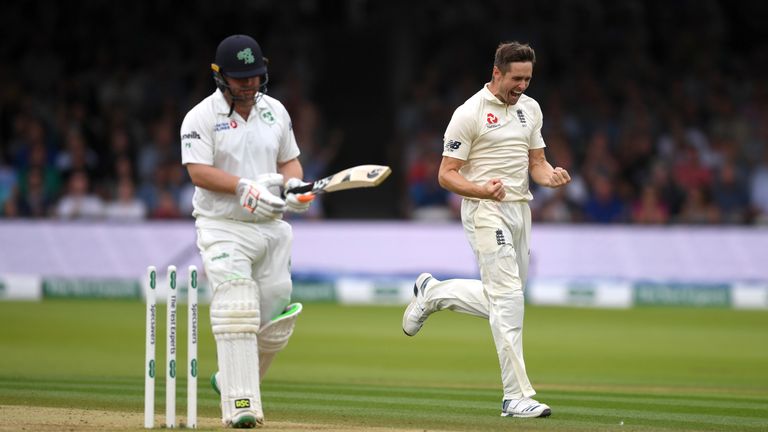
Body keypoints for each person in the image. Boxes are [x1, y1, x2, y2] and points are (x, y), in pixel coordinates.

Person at [402, 41, 570, 418]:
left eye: (527, 78)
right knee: (509, 299)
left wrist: (552, 176)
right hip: (484, 210)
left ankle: (432, 293)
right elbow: (445, 174)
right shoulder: (469, 113)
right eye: (516, 78)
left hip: (519, 211)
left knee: (506, 299)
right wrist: (481, 190)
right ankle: (515, 396)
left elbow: (537, 163)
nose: (522, 86)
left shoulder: (531, 109)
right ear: (497, 73)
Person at [180, 34, 315, 428]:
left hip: (272, 227)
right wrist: (242, 186)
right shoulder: (201, 117)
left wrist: (292, 188)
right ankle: (241, 405)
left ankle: (230, 379)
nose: (250, 85)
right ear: (220, 76)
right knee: (237, 306)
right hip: (223, 226)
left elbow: (290, 163)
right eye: (241, 79)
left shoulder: (275, 111)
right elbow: (197, 172)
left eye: (255, 76)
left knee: (275, 320)